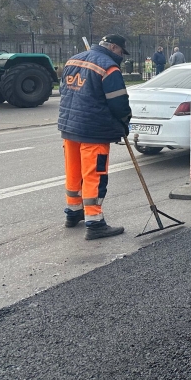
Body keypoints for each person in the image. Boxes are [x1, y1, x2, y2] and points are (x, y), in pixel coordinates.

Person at [57, 34, 132, 240]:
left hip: (70, 127)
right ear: (114, 47)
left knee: (74, 172)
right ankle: (95, 222)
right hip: (94, 130)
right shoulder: (109, 68)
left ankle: (73, 213)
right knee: (94, 176)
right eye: (121, 52)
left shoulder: (73, 60)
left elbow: (65, 91)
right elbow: (119, 103)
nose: (121, 57)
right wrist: (125, 121)